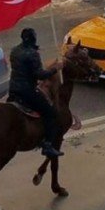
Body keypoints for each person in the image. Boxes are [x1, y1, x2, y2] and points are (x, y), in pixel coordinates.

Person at [8, 28, 64, 158]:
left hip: (13, 89)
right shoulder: (32, 54)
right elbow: (39, 75)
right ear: (33, 38)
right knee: (51, 113)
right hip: (27, 91)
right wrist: (56, 68)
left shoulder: (14, 50)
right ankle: (48, 144)